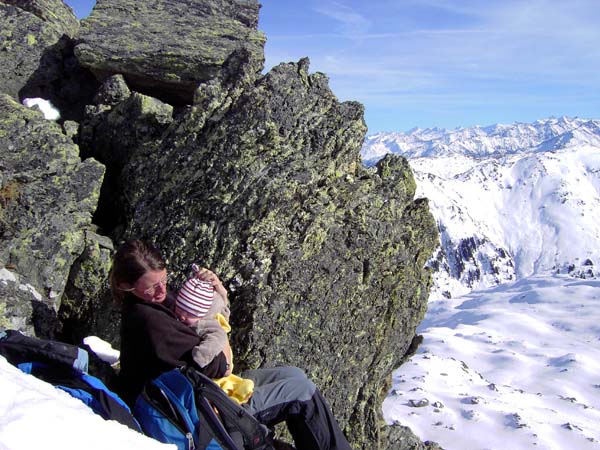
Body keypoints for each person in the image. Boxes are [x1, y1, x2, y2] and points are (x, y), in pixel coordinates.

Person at [110, 239, 352, 450]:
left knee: (293, 374)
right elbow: (217, 366)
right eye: (152, 285)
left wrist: (218, 293)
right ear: (126, 286)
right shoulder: (148, 321)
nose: (162, 289)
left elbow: (206, 322)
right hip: (201, 412)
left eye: (164, 279)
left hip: (205, 392)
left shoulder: (158, 302)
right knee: (301, 391)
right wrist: (223, 343)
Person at [175, 273, 254, 404]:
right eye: (180, 309)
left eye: (189, 313)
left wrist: (201, 355)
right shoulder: (187, 320)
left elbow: (217, 338)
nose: (183, 316)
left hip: (218, 372)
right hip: (213, 377)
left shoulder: (205, 324)